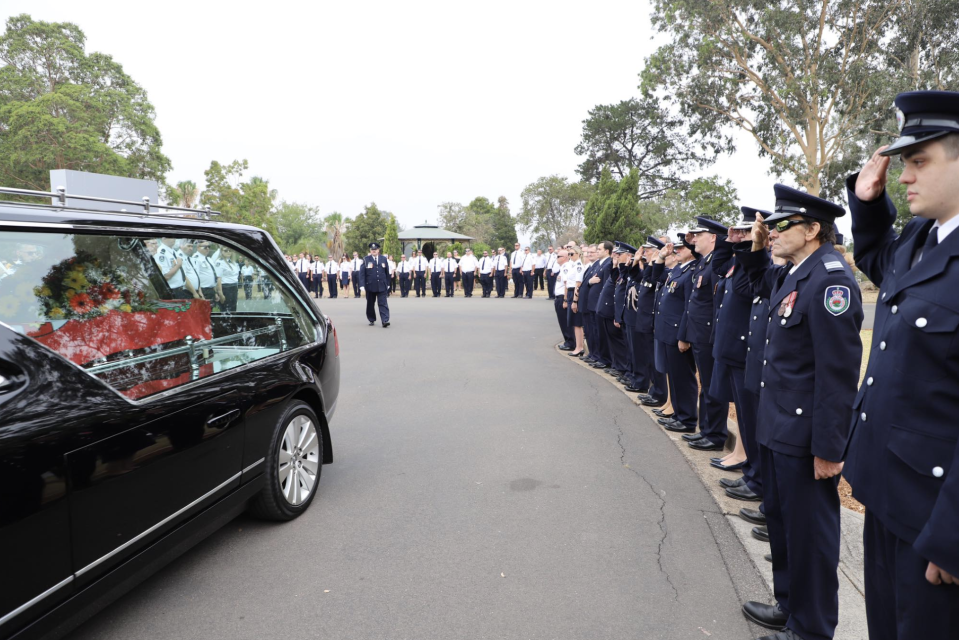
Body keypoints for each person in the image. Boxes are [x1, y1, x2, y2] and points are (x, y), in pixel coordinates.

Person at [844, 90, 959, 639]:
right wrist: (867, 206)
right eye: (904, 163)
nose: (905, 176)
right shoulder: (919, 237)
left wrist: (955, 536)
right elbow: (877, 262)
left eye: (920, 161)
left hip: (937, 516)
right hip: (890, 492)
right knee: (884, 626)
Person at [737, 185, 863, 640]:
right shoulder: (795, 271)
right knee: (783, 522)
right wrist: (756, 248)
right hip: (778, 426)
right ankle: (789, 606)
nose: (771, 232)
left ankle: (811, 629)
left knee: (810, 538)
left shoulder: (831, 281)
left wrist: (830, 449)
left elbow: (837, 373)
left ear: (812, 230)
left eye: (780, 225)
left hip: (806, 435)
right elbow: (759, 284)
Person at [682, 219, 734, 454]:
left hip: (709, 334)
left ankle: (714, 434)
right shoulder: (705, 262)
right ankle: (706, 430)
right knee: (706, 383)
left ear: (713, 237)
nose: (694, 239)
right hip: (699, 333)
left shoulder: (717, 264)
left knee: (712, 386)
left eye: (699, 234)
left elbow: (717, 304)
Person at [653, 235, 700, 433]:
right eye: (677, 247)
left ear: (691, 249)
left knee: (684, 378)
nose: (677, 250)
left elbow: (690, 307)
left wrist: (683, 336)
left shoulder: (692, 271)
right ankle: (679, 414)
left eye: (682, 247)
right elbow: (656, 277)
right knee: (674, 375)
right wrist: (661, 257)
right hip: (667, 330)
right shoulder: (679, 269)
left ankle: (687, 419)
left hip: (677, 332)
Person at [634, 238, 669, 407]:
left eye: (649, 251)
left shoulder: (664, 271)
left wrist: (655, 262)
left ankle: (660, 393)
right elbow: (645, 279)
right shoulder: (650, 269)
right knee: (649, 358)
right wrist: (647, 262)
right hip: (644, 319)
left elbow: (654, 281)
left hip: (652, 319)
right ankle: (655, 390)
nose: (646, 253)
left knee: (656, 362)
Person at [358, 241, 390, 327]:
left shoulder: (383, 259)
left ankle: (385, 320)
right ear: (370, 250)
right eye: (372, 250)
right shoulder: (366, 259)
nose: (374, 251)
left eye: (375, 249)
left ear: (378, 250)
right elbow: (362, 273)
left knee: (383, 303)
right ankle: (371, 319)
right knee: (370, 304)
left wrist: (388, 283)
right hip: (370, 285)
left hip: (382, 285)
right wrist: (361, 285)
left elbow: (387, 272)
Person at [565, 246, 586, 356]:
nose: (570, 256)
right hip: (570, 292)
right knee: (573, 322)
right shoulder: (572, 265)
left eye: (572, 254)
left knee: (577, 322)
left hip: (574, 293)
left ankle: (579, 347)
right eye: (569, 254)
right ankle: (578, 346)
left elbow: (578, 284)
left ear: (578, 254)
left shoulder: (578, 266)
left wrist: (575, 300)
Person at [552, 249, 574, 349]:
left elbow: (566, 284)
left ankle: (570, 342)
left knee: (565, 321)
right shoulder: (562, 267)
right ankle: (567, 341)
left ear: (565, 257)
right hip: (559, 297)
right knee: (562, 321)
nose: (557, 258)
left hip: (562, 298)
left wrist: (565, 300)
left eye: (559, 256)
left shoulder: (566, 267)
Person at [192, 241, 223, 309]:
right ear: (198, 247)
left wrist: (214, 292)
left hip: (210, 290)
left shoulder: (209, 259)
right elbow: (195, 277)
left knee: (210, 313)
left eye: (209, 247)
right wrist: (200, 294)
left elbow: (212, 276)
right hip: (203, 290)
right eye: (205, 247)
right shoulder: (196, 258)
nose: (207, 249)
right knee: (202, 314)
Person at [214, 247, 241, 312]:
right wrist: (221, 294)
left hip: (234, 287)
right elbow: (218, 278)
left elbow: (235, 278)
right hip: (226, 288)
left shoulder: (233, 262)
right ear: (221, 252)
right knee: (226, 310)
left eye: (230, 250)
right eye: (226, 250)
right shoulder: (219, 262)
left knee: (233, 309)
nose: (228, 252)